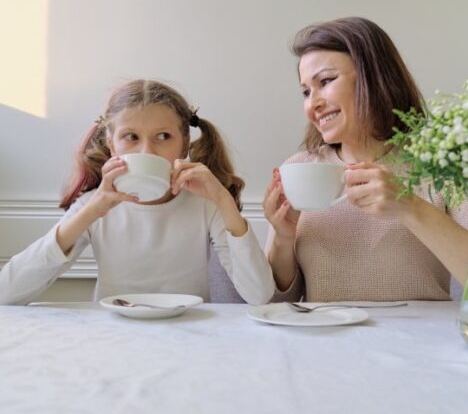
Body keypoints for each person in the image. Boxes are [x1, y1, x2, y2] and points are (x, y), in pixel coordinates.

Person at [0, 80, 275, 305]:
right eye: (131, 137)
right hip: (114, 337)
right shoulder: (94, 206)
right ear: (111, 145)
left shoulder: (205, 205)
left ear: (184, 144)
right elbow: (7, 293)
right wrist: (89, 213)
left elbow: (259, 295)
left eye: (163, 137)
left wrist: (223, 200)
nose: (147, 152)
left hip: (189, 339)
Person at [263, 17, 468, 302]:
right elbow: (277, 305)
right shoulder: (298, 170)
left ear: (374, 77)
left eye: (325, 81)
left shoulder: (439, 166)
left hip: (420, 343)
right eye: (305, 92)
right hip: (324, 342)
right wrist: (282, 237)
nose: (312, 103)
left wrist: (408, 205)